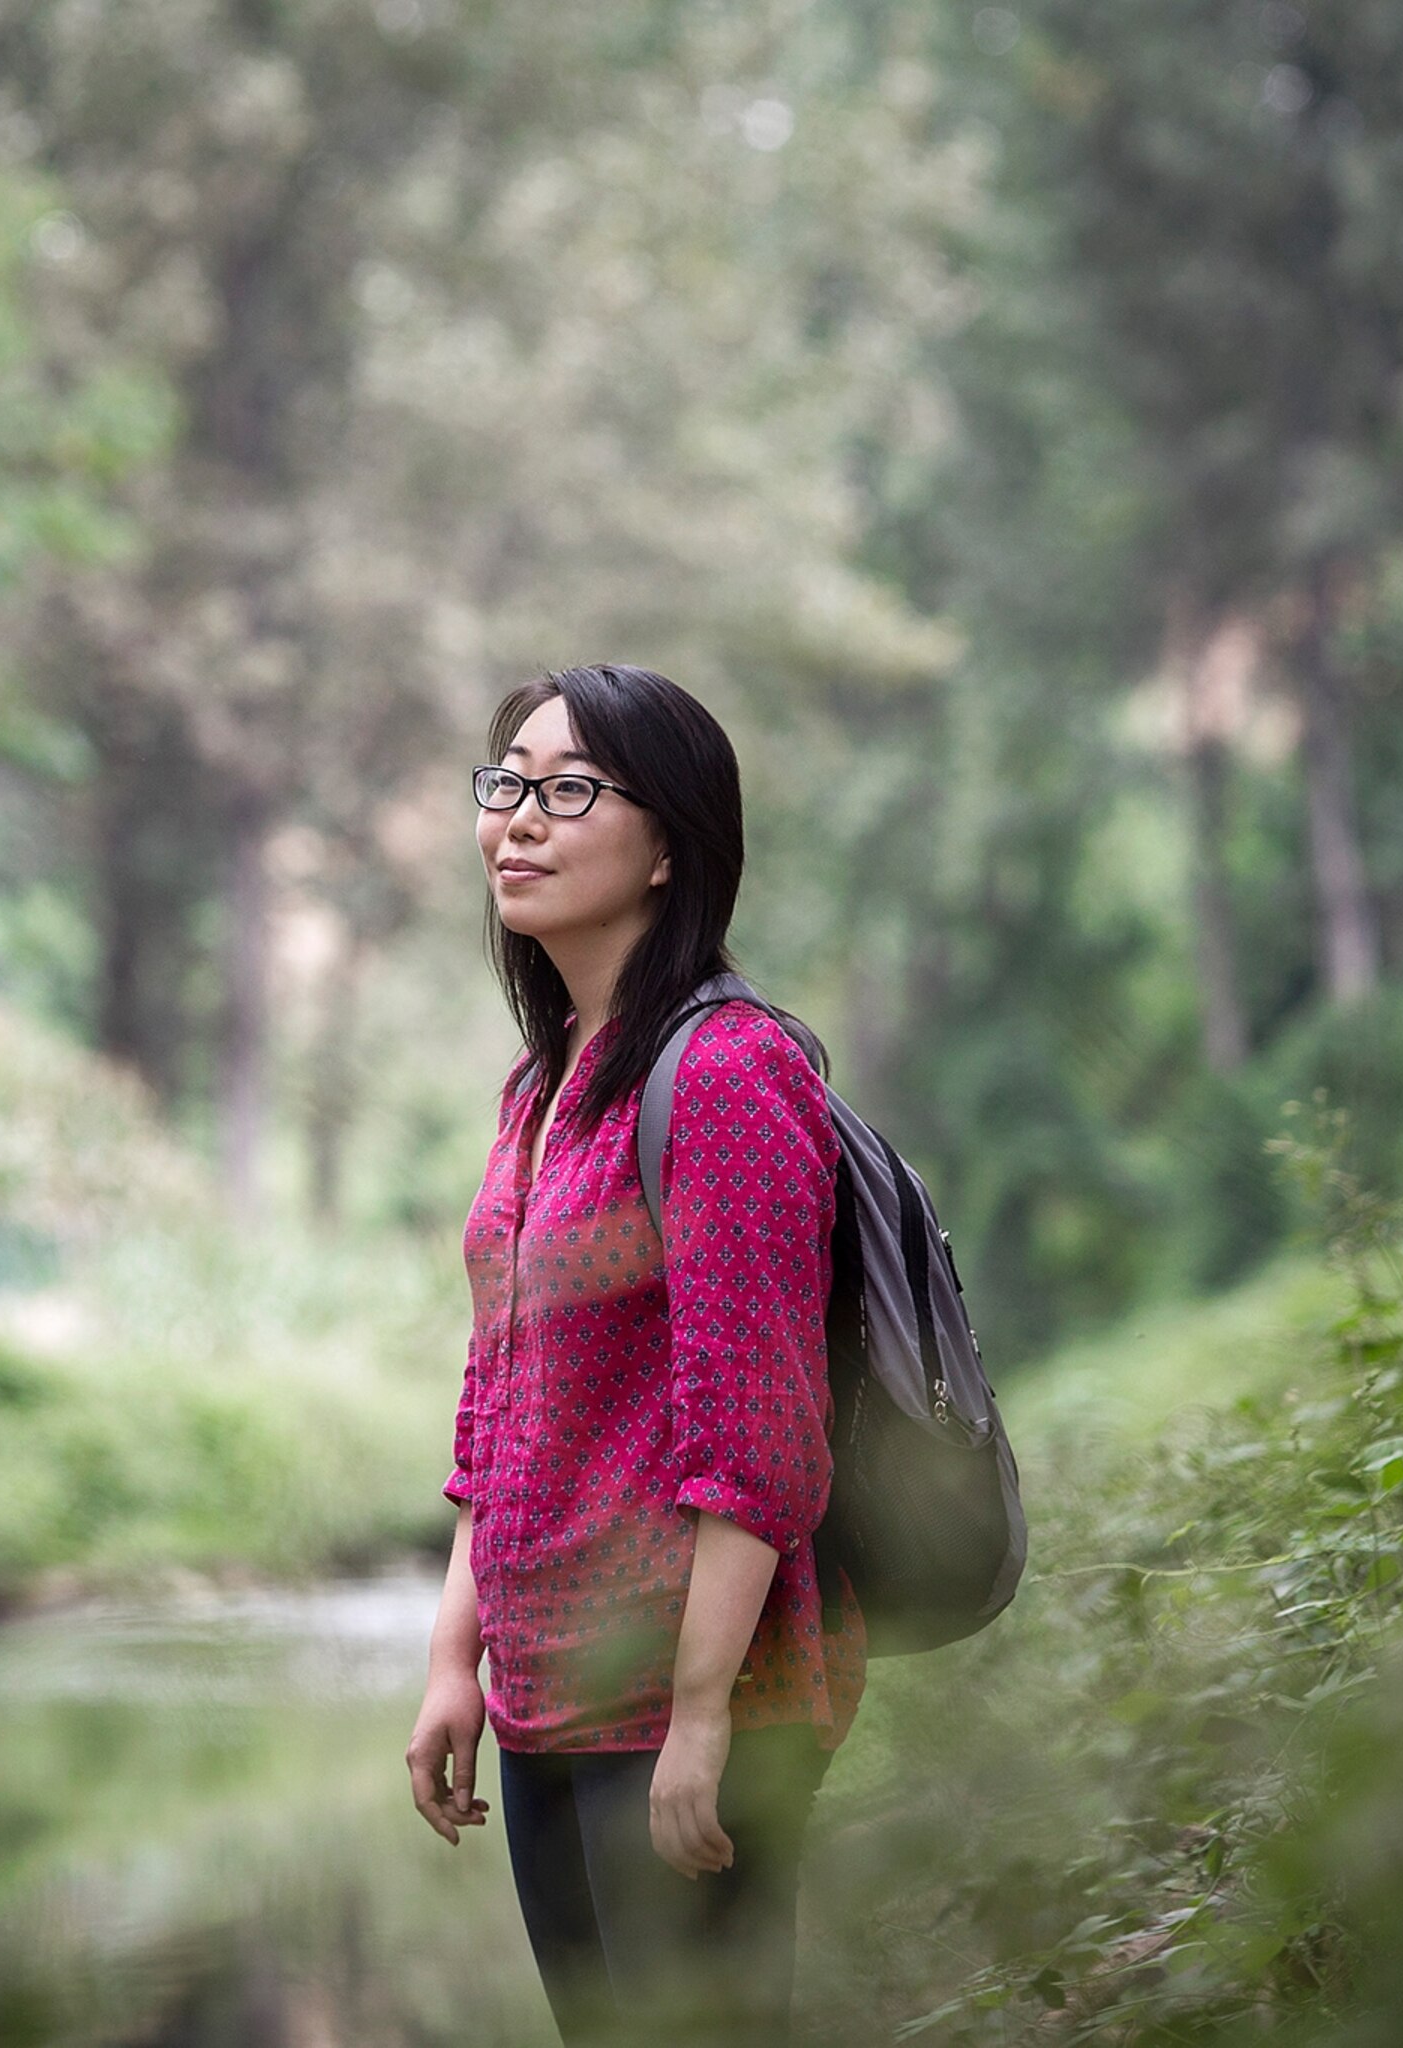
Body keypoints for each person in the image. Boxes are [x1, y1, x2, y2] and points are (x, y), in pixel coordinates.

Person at [406, 663, 863, 2047]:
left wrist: (707, 1716)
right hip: (548, 1695)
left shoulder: (722, 1074)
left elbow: (761, 1432)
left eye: (569, 790)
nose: (520, 821)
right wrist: (452, 1668)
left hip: (685, 1702)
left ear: (670, 844)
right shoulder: (545, 1084)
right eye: (507, 786)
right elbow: (500, 1407)